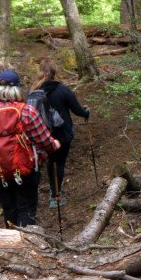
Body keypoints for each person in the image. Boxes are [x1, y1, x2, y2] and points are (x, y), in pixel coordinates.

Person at [0, 69, 59, 227]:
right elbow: (44, 141)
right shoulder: (27, 111)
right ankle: (27, 243)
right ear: (17, 88)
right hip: (25, 171)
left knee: (8, 208)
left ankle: (11, 243)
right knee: (26, 207)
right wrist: (54, 145)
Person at [32, 58, 90, 207]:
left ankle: (53, 194)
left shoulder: (33, 92)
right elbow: (77, 110)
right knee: (60, 163)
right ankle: (56, 195)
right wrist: (86, 112)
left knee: (51, 162)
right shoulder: (63, 90)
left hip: (42, 134)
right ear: (54, 72)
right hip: (63, 134)